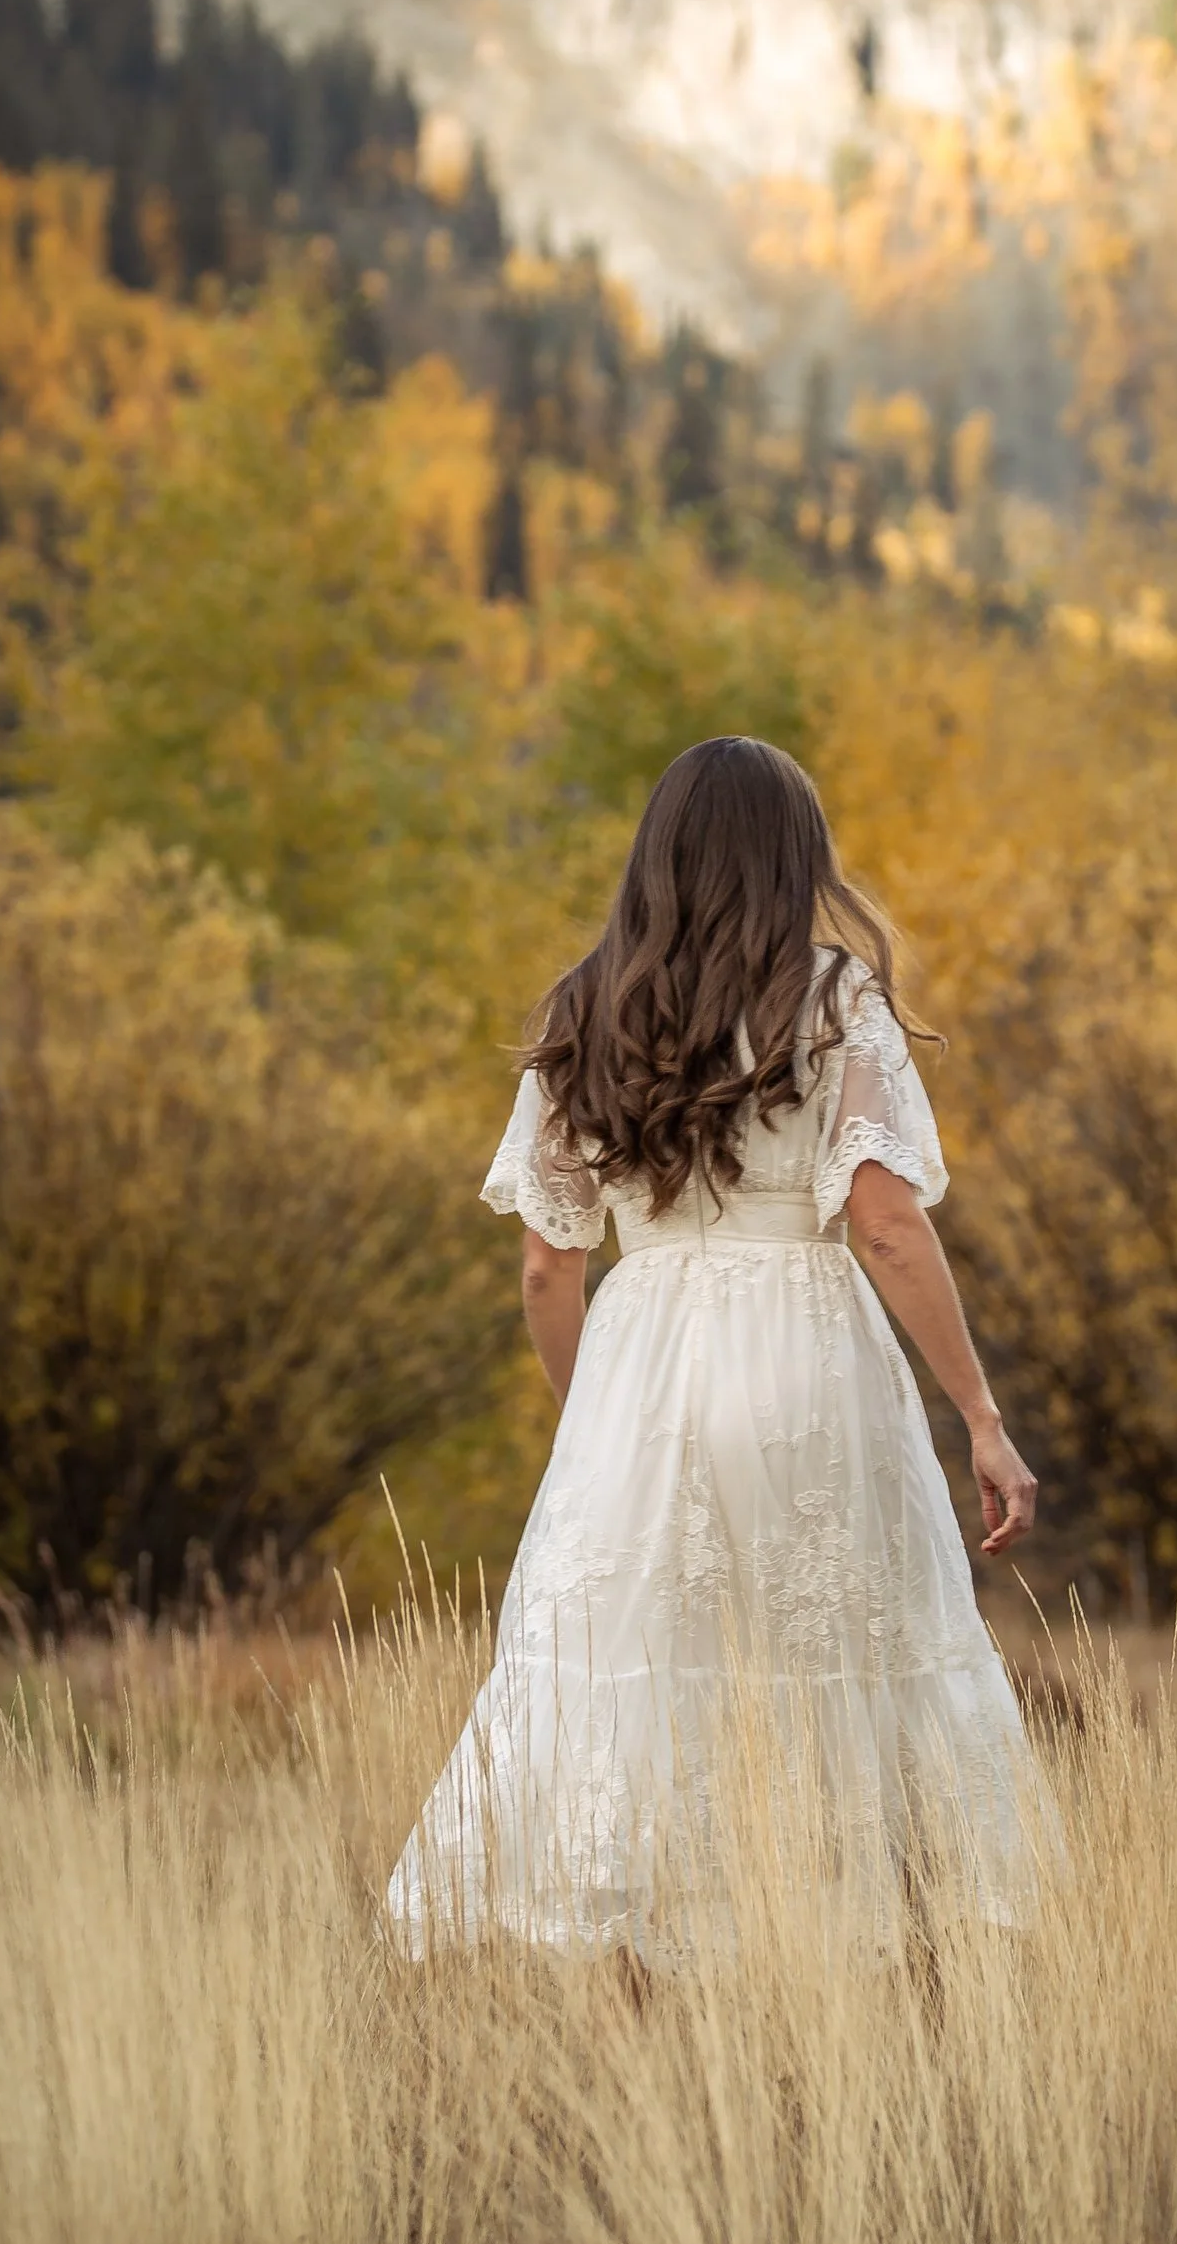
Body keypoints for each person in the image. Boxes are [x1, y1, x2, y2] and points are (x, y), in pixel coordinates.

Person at [387, 735, 1058, 1960]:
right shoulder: (834, 998)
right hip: (803, 1355)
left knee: (643, 1676)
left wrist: (594, 1414)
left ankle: (644, 1976)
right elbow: (885, 1223)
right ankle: (850, 1954)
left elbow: (547, 1261)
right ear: (794, 857)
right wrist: (981, 1417)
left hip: (638, 1362)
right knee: (843, 1658)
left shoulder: (582, 1009)